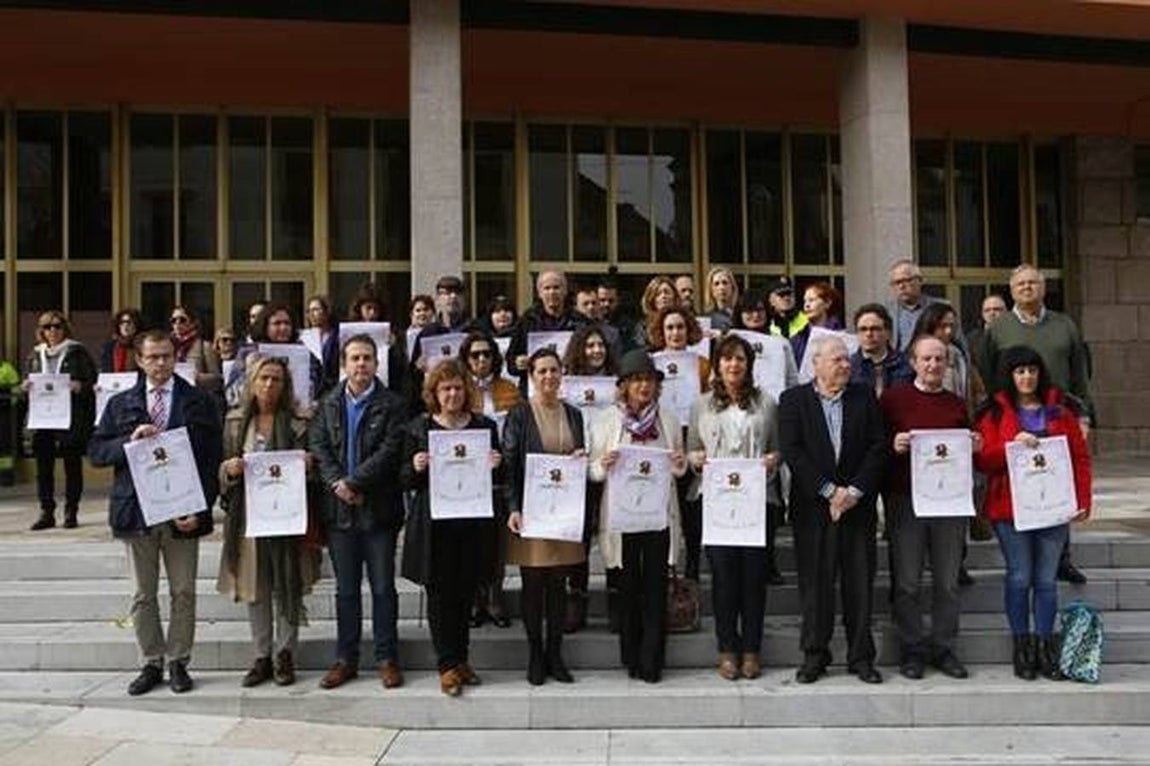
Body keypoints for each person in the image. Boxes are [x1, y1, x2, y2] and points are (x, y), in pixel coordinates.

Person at [88, 330, 221, 695]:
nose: (161, 363)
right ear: (140, 359)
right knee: (142, 595)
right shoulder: (120, 404)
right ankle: (151, 661)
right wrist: (128, 441)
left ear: (174, 357)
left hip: (183, 510)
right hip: (136, 510)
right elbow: (97, 452)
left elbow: (211, 461)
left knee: (183, 591)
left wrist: (201, 508)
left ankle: (179, 660)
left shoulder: (197, 401)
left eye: (166, 356)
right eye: (153, 357)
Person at [974, 346, 1091, 680]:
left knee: (1046, 580)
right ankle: (1021, 644)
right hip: (1009, 509)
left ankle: (1045, 644)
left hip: (1053, 508)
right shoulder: (993, 413)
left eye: (1032, 370)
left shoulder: (1061, 411)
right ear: (1010, 376)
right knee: (1020, 575)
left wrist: (1082, 500)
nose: (1027, 377)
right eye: (1020, 371)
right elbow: (981, 460)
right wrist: (1010, 447)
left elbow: (1080, 458)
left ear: (1040, 373)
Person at [779, 335, 887, 685]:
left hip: (857, 507)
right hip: (813, 509)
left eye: (846, 360)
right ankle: (815, 654)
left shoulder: (863, 396)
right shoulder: (793, 400)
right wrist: (829, 492)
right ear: (817, 363)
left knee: (859, 583)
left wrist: (853, 492)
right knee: (815, 584)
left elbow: (878, 446)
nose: (845, 365)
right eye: (837, 360)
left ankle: (861, 657)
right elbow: (793, 452)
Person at [310, 334, 409, 691]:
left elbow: (390, 450)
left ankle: (387, 657)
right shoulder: (328, 402)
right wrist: (338, 482)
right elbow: (318, 445)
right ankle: (345, 659)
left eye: (367, 358)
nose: (361, 364)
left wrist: (355, 483)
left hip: (378, 511)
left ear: (377, 363)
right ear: (344, 364)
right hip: (339, 513)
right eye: (354, 358)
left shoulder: (394, 404)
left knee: (383, 588)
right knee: (346, 590)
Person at [401, 359, 502, 696]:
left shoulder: (484, 426)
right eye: (445, 389)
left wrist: (496, 464)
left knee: (466, 592)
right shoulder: (419, 428)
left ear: (467, 390)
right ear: (434, 393)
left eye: (458, 387)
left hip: (473, 523)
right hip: (434, 526)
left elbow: (500, 478)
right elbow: (402, 479)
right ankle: (446, 664)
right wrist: (415, 467)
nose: (453, 394)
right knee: (440, 595)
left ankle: (462, 660)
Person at [216, 355, 319, 687]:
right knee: (256, 586)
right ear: (251, 382)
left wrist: (308, 464)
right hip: (248, 517)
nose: (269, 385)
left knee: (287, 583)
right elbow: (219, 470)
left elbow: (317, 468)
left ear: (285, 384)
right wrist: (228, 471)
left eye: (276, 379)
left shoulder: (300, 422)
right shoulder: (235, 422)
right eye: (263, 378)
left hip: (288, 516)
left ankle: (285, 654)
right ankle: (262, 655)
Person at [880, 336, 978, 681]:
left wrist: (974, 445)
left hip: (949, 504)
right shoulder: (893, 400)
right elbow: (875, 446)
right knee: (907, 582)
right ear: (913, 362)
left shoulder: (955, 404)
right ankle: (912, 649)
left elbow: (966, 452)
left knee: (947, 582)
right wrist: (892, 444)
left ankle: (944, 647)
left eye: (939, 359)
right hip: (905, 500)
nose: (933, 365)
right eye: (926, 359)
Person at [588, 349, 688, 683]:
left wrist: (679, 466)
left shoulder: (669, 420)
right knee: (628, 588)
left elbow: (680, 465)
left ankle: (652, 660)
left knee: (656, 588)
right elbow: (591, 469)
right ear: (624, 386)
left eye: (649, 380)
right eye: (637, 380)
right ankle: (630, 654)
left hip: (658, 517)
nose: (644, 386)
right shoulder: (606, 421)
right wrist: (602, 466)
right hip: (622, 518)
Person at [686, 334, 781, 681]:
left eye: (740, 358)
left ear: (749, 364)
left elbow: (779, 448)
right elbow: (692, 450)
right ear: (717, 364)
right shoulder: (701, 405)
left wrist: (773, 459)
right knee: (724, 579)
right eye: (726, 359)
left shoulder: (767, 403)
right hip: (716, 504)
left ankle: (752, 650)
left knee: (754, 579)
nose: (733, 365)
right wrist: (697, 458)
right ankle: (727, 649)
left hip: (757, 503)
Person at [503, 348, 587, 685]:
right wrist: (512, 507)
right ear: (531, 376)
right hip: (532, 512)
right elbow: (510, 463)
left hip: (564, 513)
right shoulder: (520, 414)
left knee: (558, 585)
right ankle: (535, 653)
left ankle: (555, 653)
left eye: (554, 370)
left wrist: (581, 457)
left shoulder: (575, 414)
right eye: (542, 371)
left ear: (562, 373)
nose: (549, 377)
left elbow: (578, 456)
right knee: (533, 585)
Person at [459, 330, 522, 628]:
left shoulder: (509, 389)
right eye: (475, 355)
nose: (481, 359)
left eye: (486, 354)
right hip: (467, 478)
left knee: (497, 543)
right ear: (466, 360)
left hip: (502, 475)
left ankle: (496, 599)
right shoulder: (458, 390)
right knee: (472, 542)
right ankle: (474, 599)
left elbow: (518, 430)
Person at [561, 324, 620, 632]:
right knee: (579, 536)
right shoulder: (565, 384)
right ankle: (576, 598)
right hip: (577, 468)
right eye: (590, 346)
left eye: (601, 345)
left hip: (611, 466)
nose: (596, 350)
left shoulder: (617, 383)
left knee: (611, 533)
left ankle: (616, 598)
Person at [647, 305, 710, 583]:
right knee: (664, 505)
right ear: (661, 332)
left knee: (692, 506)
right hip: (660, 437)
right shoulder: (651, 363)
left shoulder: (703, 363)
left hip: (694, 437)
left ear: (690, 330)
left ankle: (693, 566)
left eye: (680, 327)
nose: (675, 332)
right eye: (669, 327)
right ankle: (666, 566)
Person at [22, 311, 97, 530]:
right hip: (42, 419)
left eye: (57, 326)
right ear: (41, 331)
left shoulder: (77, 352)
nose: (52, 331)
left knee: (72, 465)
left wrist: (80, 386)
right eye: (47, 327)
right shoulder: (35, 355)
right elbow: (25, 383)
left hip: (69, 417)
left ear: (65, 328)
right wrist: (25, 387)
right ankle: (47, 511)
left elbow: (92, 381)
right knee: (43, 467)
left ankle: (71, 511)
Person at [509, 270, 586, 385]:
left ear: (565, 290)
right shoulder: (527, 321)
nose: (552, 292)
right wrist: (518, 363)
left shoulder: (581, 321)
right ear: (539, 293)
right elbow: (511, 363)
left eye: (556, 287)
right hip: (534, 391)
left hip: (570, 387)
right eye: (547, 288)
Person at [913, 302, 985, 411]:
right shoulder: (914, 354)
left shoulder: (961, 354)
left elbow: (977, 389)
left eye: (952, 326)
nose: (948, 331)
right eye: (942, 326)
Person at [849, 303, 913, 398]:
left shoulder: (906, 365)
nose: (868, 334)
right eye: (863, 329)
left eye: (875, 329)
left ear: (888, 333)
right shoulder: (849, 367)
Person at [886, 259, 947, 354]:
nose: (901, 286)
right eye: (897, 282)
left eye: (907, 280)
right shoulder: (887, 311)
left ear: (920, 281)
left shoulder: (941, 308)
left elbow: (959, 345)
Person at [790, 281, 843, 369]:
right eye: (805, 301)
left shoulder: (841, 336)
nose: (806, 305)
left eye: (811, 300)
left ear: (827, 303)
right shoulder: (797, 340)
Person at [169, 305, 221, 392]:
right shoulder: (168, 345)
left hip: (196, 396)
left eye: (182, 320)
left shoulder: (204, 346)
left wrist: (196, 377)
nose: (177, 323)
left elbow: (217, 379)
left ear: (193, 323)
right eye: (173, 320)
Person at [967, 293, 1008, 384]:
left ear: (1006, 312)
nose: (992, 313)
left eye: (997, 309)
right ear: (982, 314)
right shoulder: (971, 338)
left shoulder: (1014, 334)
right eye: (987, 310)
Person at [632, 276, 680, 349]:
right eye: (658, 294)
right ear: (652, 299)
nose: (663, 296)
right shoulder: (643, 327)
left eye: (667, 292)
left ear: (674, 296)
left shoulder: (683, 322)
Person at [305, 294, 341, 390]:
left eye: (316, 310)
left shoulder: (337, 336)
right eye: (309, 311)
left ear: (326, 312)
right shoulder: (304, 338)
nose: (311, 314)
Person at [101, 308, 143, 373]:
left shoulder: (143, 345)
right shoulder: (110, 346)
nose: (125, 326)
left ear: (136, 324)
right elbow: (106, 370)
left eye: (129, 322)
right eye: (121, 322)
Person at [705, 266, 740, 332]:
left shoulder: (741, 315)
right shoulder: (706, 318)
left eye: (725, 283)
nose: (721, 287)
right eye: (716, 284)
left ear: (732, 287)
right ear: (711, 290)